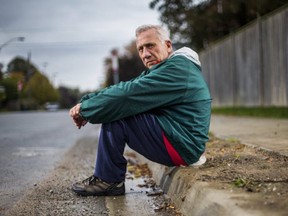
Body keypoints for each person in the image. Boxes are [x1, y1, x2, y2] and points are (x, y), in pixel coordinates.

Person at [69, 24, 212, 196]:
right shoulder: (166, 68)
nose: (145, 54)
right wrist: (87, 102)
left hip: (183, 146)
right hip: (180, 140)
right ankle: (109, 178)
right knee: (119, 104)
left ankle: (108, 180)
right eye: (141, 49)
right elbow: (126, 87)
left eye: (150, 46)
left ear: (167, 45)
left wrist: (85, 109)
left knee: (119, 114)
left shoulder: (176, 70)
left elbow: (125, 96)